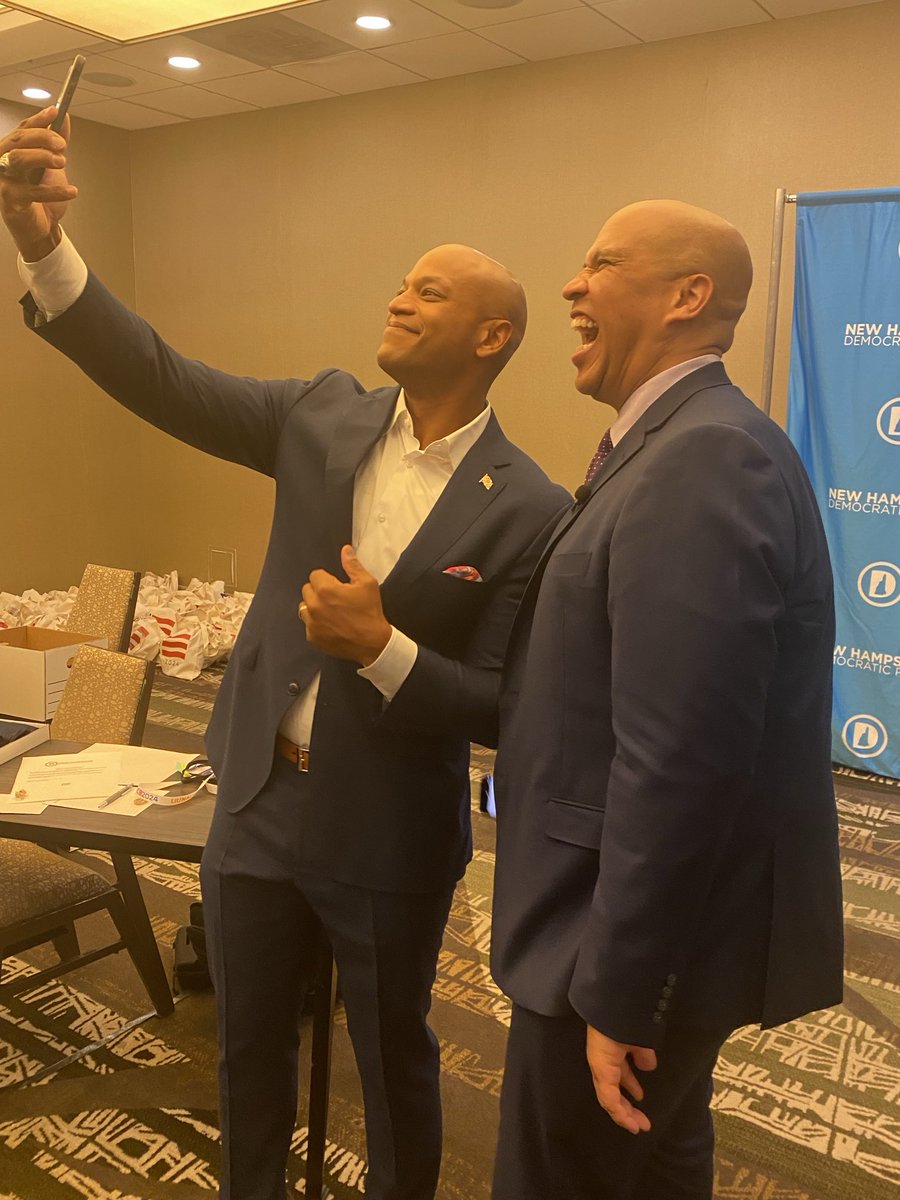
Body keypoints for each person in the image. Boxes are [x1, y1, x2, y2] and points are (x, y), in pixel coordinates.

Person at [0, 109, 569, 1200]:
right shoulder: (320, 414)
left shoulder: (529, 505)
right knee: (246, 1051)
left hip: (391, 831)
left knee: (394, 1061)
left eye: (431, 291)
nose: (398, 298)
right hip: (256, 805)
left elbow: (504, 703)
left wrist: (384, 648)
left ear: (492, 336)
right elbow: (162, 375)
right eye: (402, 283)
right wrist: (40, 247)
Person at [489, 199, 844, 1200]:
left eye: (601, 264)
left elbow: (681, 756)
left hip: (615, 942)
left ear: (689, 296)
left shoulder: (703, 457)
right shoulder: (673, 444)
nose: (570, 285)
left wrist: (621, 991)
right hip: (632, 925)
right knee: (655, 1167)